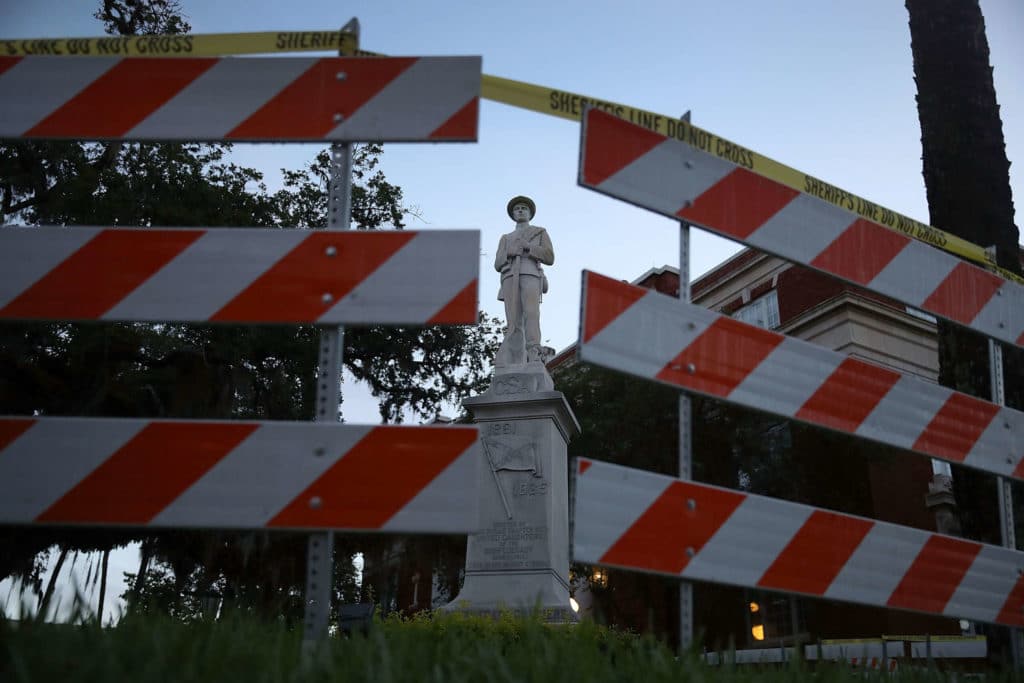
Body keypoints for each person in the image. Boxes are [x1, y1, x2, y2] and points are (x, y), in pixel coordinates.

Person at [494, 195, 554, 366]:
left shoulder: (539, 232)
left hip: (530, 274)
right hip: (509, 276)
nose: (520, 211)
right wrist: (509, 253)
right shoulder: (506, 238)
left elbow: (549, 257)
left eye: (524, 208)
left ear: (530, 213)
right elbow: (497, 263)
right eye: (517, 209)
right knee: (513, 320)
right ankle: (514, 356)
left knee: (531, 313)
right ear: (513, 214)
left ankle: (534, 350)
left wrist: (529, 247)